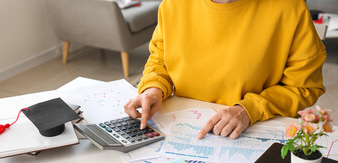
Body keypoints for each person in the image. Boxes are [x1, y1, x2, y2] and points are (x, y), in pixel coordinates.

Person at [124, 0, 326, 139]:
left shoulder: (289, 8)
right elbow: (160, 58)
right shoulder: (173, 4)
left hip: (256, 129)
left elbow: (304, 86)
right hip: (185, 128)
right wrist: (153, 88)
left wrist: (250, 110)